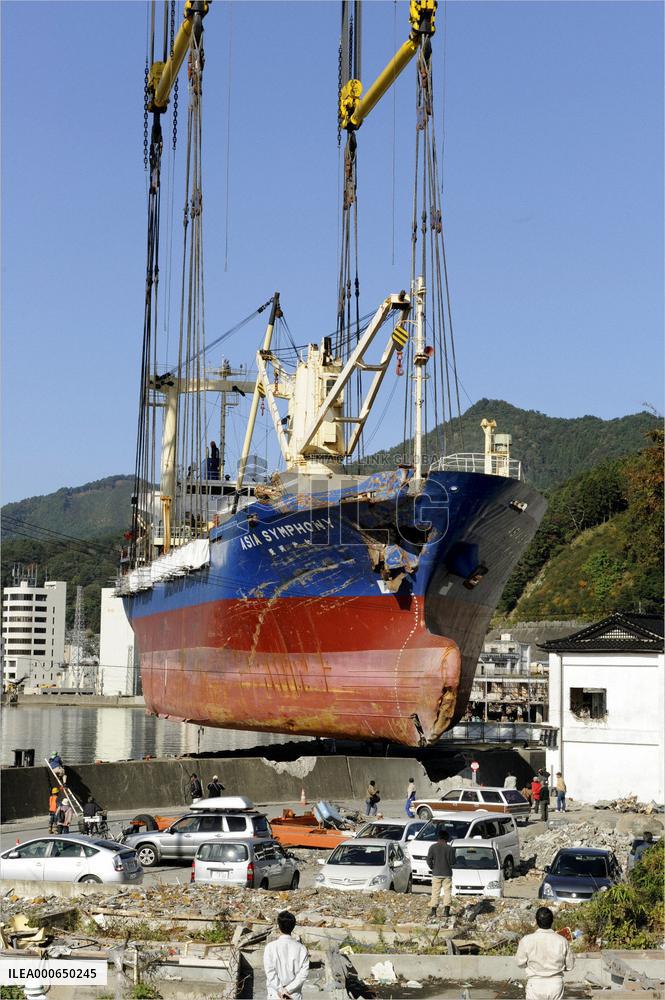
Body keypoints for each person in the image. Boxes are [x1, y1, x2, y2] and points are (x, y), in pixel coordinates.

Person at [515, 906, 574, 1000]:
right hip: (555, 984)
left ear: (536, 921)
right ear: (552, 921)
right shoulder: (562, 941)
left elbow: (520, 963)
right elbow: (569, 966)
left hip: (535, 984)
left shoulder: (526, 940)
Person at [263, 910, 309, 1000]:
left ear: (278, 926)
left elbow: (270, 972)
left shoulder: (270, 948)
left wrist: (281, 989)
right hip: (293, 995)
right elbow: (303, 975)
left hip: (275, 995)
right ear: (293, 926)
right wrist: (287, 989)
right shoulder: (302, 949)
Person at [426, 827, 456, 921]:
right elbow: (453, 862)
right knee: (447, 892)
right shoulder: (450, 849)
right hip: (447, 874)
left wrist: (432, 867)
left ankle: (433, 911)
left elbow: (428, 860)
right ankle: (446, 911)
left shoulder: (433, 847)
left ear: (438, 838)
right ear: (447, 838)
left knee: (435, 892)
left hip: (436, 873)